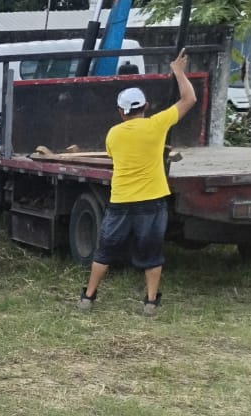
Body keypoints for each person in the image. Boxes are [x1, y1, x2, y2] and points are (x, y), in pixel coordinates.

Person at [79, 51, 197, 317]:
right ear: (146, 106)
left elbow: (113, 156)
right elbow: (189, 99)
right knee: (152, 253)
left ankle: (88, 297)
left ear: (121, 111)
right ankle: (150, 302)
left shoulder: (113, 134)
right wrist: (178, 71)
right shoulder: (157, 125)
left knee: (105, 251)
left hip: (121, 201)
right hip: (152, 202)